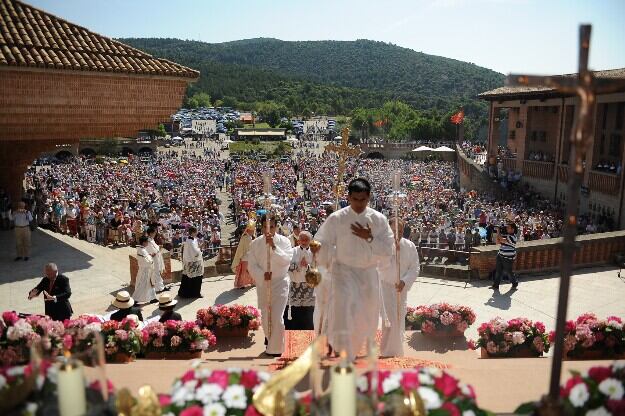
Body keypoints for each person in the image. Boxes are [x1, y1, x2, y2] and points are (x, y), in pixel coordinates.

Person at [312, 178, 394, 361]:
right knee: (343, 310)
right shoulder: (337, 218)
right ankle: (342, 350)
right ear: (348, 197)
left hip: (368, 273)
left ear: (369, 197)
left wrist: (370, 237)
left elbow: (389, 249)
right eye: (355, 199)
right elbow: (322, 241)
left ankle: (354, 350)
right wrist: (318, 248)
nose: (359, 204)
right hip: (343, 272)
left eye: (363, 200)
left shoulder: (379, 220)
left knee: (364, 316)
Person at [246, 214, 294, 356]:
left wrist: (273, 246)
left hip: (280, 282)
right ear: (260, 227)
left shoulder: (284, 241)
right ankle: (272, 342)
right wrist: (262, 275)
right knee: (266, 317)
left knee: (277, 317)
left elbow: (286, 260)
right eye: (265, 227)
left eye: (271, 227)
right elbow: (252, 265)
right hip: (264, 284)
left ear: (276, 227)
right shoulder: (255, 244)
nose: (269, 230)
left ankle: (276, 349)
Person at [377, 218, 419, 357]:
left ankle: (396, 348)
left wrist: (404, 282)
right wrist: (393, 251)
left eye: (400, 230)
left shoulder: (410, 246)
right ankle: (388, 351)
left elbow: (415, 268)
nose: (398, 233)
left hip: (401, 289)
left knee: (400, 318)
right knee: (389, 320)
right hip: (386, 287)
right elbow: (380, 267)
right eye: (395, 230)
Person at [285, 231, 315, 330]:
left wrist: (308, 266)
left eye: (306, 240)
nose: (304, 242)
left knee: (308, 314)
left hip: (309, 288)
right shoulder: (292, 251)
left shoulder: (315, 253)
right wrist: (298, 266)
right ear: (298, 241)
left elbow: (319, 269)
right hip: (295, 286)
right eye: (302, 239)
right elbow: (286, 267)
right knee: (295, 313)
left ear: (310, 241)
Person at [489, 222, 519, 291]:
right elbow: (497, 242)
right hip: (500, 255)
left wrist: (498, 231)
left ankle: (514, 283)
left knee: (509, 271)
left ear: (513, 229)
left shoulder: (513, 237)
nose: (507, 229)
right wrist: (498, 233)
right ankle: (496, 285)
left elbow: (502, 240)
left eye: (508, 227)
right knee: (498, 271)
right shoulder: (507, 235)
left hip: (508, 257)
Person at [178, 226, 205, 298]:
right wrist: (201, 247)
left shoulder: (191, 240)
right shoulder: (190, 242)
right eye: (196, 231)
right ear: (193, 232)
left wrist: (199, 247)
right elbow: (195, 252)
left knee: (188, 278)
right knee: (195, 278)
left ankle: (186, 293)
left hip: (191, 262)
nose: (197, 233)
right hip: (193, 263)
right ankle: (195, 293)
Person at [232, 220, 256, 288]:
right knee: (244, 271)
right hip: (245, 257)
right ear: (249, 230)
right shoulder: (245, 238)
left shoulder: (250, 237)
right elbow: (242, 249)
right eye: (252, 230)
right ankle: (241, 284)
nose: (253, 231)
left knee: (251, 270)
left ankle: (252, 282)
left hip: (250, 257)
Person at [133, 236, 157, 305]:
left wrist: (150, 255)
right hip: (145, 271)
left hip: (148, 270)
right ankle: (135, 299)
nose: (148, 243)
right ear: (143, 242)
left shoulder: (142, 249)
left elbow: (146, 257)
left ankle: (152, 298)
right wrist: (151, 257)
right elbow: (147, 261)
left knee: (150, 285)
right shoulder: (142, 250)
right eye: (147, 242)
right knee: (142, 285)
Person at [146, 226, 166, 293]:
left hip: (157, 258)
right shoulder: (148, 241)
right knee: (156, 273)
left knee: (157, 273)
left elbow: (155, 248)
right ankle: (159, 288)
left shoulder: (151, 239)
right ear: (151, 233)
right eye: (154, 233)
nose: (155, 234)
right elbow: (151, 251)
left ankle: (161, 286)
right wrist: (159, 249)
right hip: (153, 259)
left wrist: (158, 247)